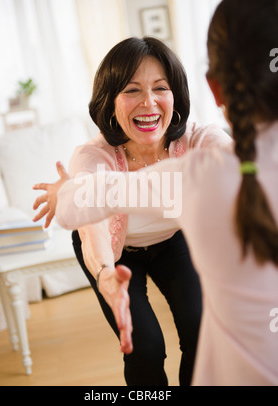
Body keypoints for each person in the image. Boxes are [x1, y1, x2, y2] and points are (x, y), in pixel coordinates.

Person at [33, 36, 231, 386]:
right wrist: (105, 274)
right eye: (132, 90)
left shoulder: (199, 139)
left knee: (204, 333)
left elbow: (237, 163)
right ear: (109, 101)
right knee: (145, 347)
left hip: (173, 240)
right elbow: (91, 225)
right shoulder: (93, 157)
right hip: (115, 254)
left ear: (176, 96)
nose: (149, 102)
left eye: (160, 88)